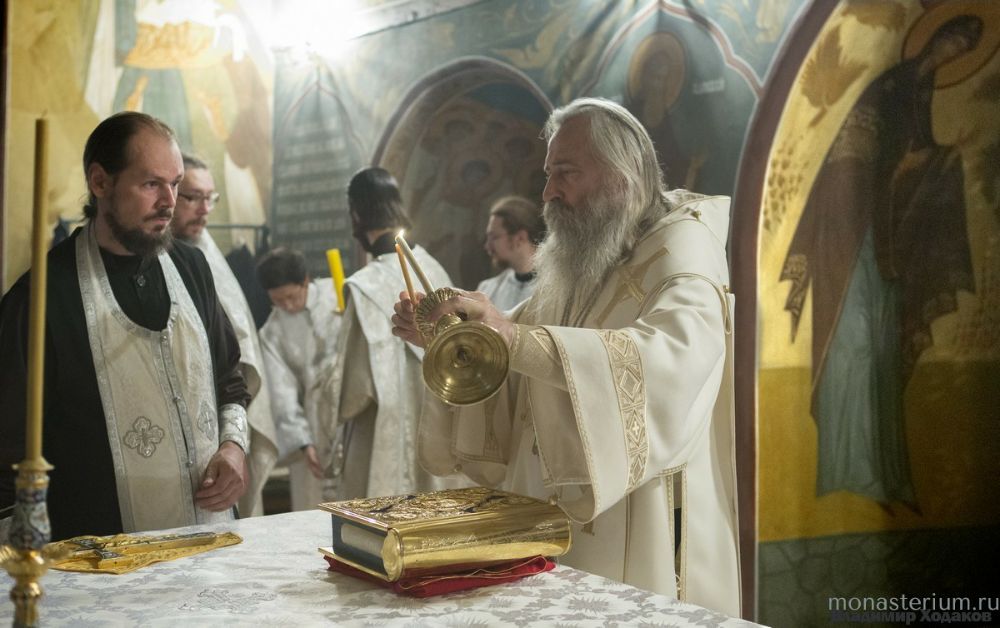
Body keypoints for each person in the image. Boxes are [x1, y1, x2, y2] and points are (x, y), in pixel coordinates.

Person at [391, 98, 740, 615]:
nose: (548, 192)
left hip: (641, 522)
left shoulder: (683, 250)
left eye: (566, 173)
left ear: (623, 175)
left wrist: (510, 338)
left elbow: (671, 365)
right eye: (548, 174)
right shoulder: (585, 250)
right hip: (546, 520)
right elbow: (520, 350)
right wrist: (457, 339)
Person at [0, 112, 250, 541]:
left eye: (175, 184)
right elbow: (9, 444)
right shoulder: (42, 296)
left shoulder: (192, 268)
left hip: (211, 542)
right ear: (100, 183)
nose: (169, 202)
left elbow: (229, 379)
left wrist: (233, 447)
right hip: (99, 557)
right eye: (151, 184)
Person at [780, 14, 984, 508]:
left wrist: (938, 160)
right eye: (954, 39)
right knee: (852, 342)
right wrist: (907, 165)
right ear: (936, 37)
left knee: (883, 350)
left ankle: (886, 477)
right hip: (853, 234)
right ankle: (848, 472)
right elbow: (857, 154)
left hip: (888, 237)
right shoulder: (892, 85)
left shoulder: (921, 91)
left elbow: (914, 156)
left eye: (964, 47)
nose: (954, 50)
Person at [322, 167, 462, 500]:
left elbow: (351, 391)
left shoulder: (364, 286)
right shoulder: (434, 268)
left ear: (356, 214)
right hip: (437, 422)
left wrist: (323, 385)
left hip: (381, 434)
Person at [171, 154, 278, 517]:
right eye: (192, 197)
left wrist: (233, 438)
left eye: (210, 198)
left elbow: (239, 351)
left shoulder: (208, 255)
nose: (204, 210)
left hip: (220, 417)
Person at [257, 248, 341, 511]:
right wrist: (303, 442)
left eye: (292, 297)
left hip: (349, 410)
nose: (288, 306)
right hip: (312, 423)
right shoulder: (272, 332)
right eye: (278, 301)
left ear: (305, 281)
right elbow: (281, 391)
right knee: (316, 505)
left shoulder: (339, 295)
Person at [475, 195, 546, 312]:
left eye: (494, 237)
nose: (487, 246)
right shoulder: (487, 290)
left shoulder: (555, 290)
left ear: (520, 238)